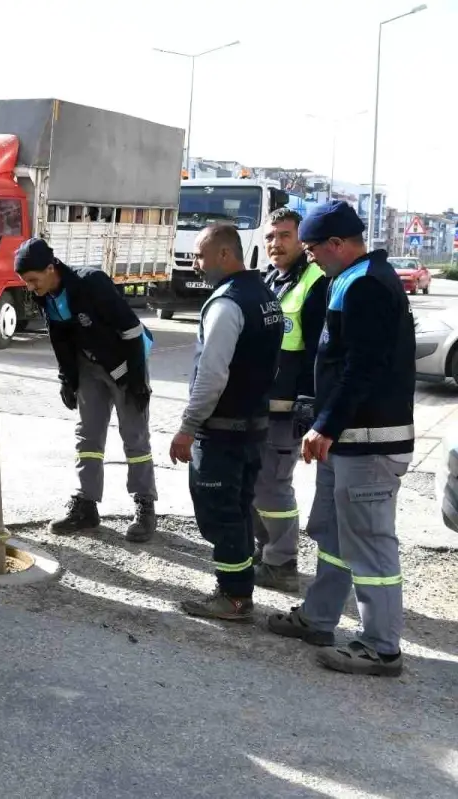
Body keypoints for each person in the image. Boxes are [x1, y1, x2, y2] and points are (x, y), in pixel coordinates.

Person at [266, 200, 415, 677]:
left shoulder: (368, 285)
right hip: (346, 440)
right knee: (333, 535)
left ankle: (380, 646)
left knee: (370, 544)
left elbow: (363, 368)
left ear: (336, 245)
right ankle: (319, 616)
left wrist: (325, 424)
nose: (310, 257)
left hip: (369, 442)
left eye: (312, 249)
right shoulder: (349, 280)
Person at [170, 224, 282, 621]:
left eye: (200, 255)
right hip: (254, 427)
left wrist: (187, 426)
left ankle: (234, 598)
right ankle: (238, 588)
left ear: (223, 255)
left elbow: (212, 375)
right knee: (238, 507)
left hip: (222, 432)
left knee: (221, 514)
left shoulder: (227, 304)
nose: (196, 264)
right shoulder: (265, 296)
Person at [13, 238, 158, 542]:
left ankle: (145, 504)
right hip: (88, 366)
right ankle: (86, 503)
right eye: (26, 282)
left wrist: (136, 381)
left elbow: (131, 329)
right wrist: (67, 378)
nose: (30, 287)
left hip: (123, 363)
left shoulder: (91, 282)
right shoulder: (47, 295)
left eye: (33, 280)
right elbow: (60, 337)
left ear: (51, 268)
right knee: (88, 435)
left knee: (134, 435)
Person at [251, 208, 327, 592]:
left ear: (301, 239)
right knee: (255, 483)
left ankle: (282, 564)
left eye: (284, 235)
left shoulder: (315, 282)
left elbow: (320, 350)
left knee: (274, 486)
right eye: (270, 237)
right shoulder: (271, 279)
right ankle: (265, 553)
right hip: (260, 404)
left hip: (286, 409)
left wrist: (308, 401)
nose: (275, 243)